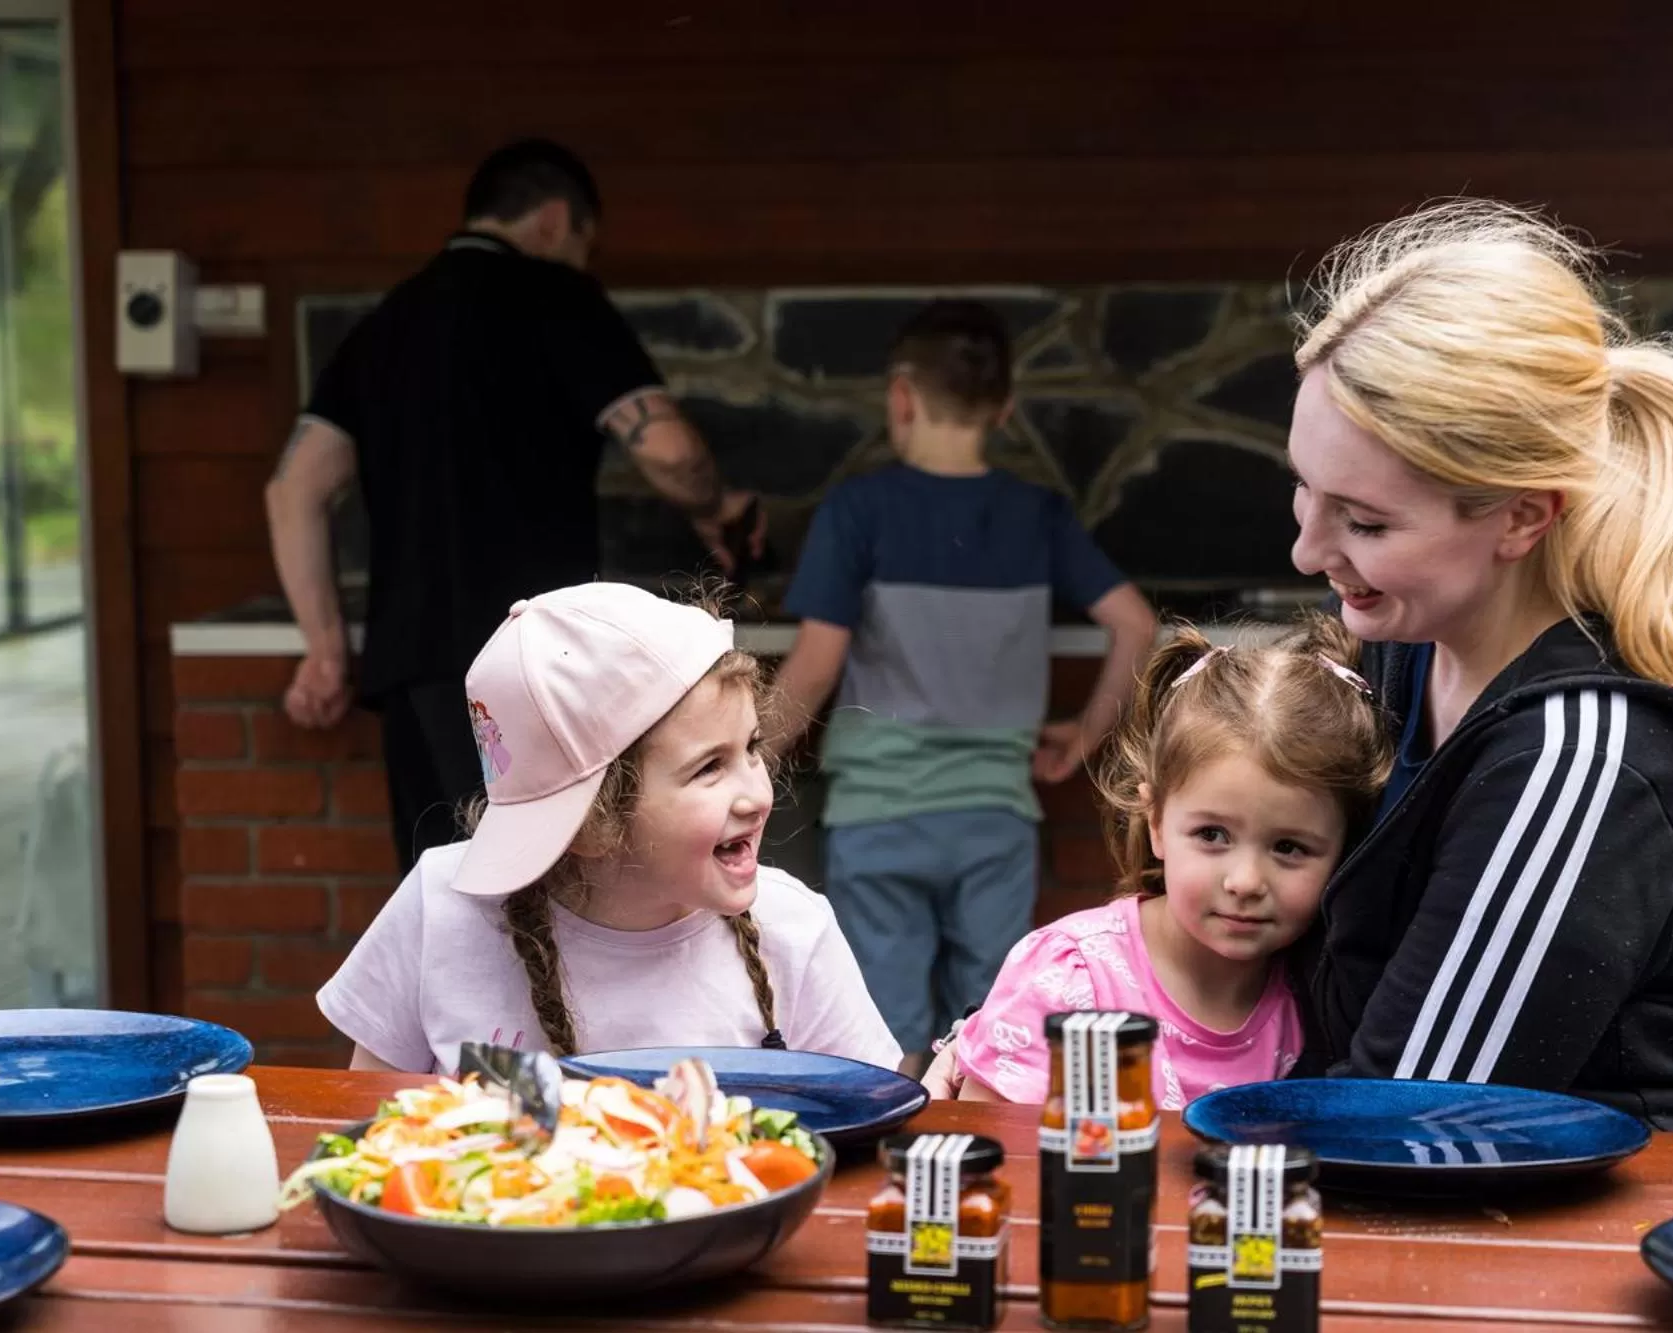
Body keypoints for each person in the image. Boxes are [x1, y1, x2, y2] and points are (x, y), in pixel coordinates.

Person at [1285, 199, 1673, 1133]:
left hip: (1610, 1250)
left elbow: (1404, 1122)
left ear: (1520, 517)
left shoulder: (1583, 760)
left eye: (1365, 521)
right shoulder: (1404, 658)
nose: (1307, 550)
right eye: (1302, 488)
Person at [265, 138, 760, 874]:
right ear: (557, 221)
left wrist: (325, 648)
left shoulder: (385, 323)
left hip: (414, 669)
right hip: (534, 666)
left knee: (440, 895)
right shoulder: (560, 298)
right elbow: (668, 452)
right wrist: (718, 507)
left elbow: (294, 487)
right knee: (546, 899)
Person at [766, 300, 1158, 1070]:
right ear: (1005, 409)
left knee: (884, 1034)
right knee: (995, 1025)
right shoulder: (1038, 515)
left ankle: (896, 1179)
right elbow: (1137, 625)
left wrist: (743, 761)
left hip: (878, 817)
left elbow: (814, 664)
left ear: (901, 397)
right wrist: (1084, 734)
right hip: (994, 818)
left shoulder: (858, 510)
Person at [315, 581, 901, 1075]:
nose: (755, 792)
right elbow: (370, 1125)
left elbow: (872, 1144)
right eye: (709, 768)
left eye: (750, 748)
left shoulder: (795, 931)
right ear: (593, 825)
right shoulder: (442, 908)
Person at [923, 615, 1390, 1110]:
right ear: (1155, 822)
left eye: (1289, 848)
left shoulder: (1320, 992)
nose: (1246, 881)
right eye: (1212, 835)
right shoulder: (1073, 979)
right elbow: (991, 1147)